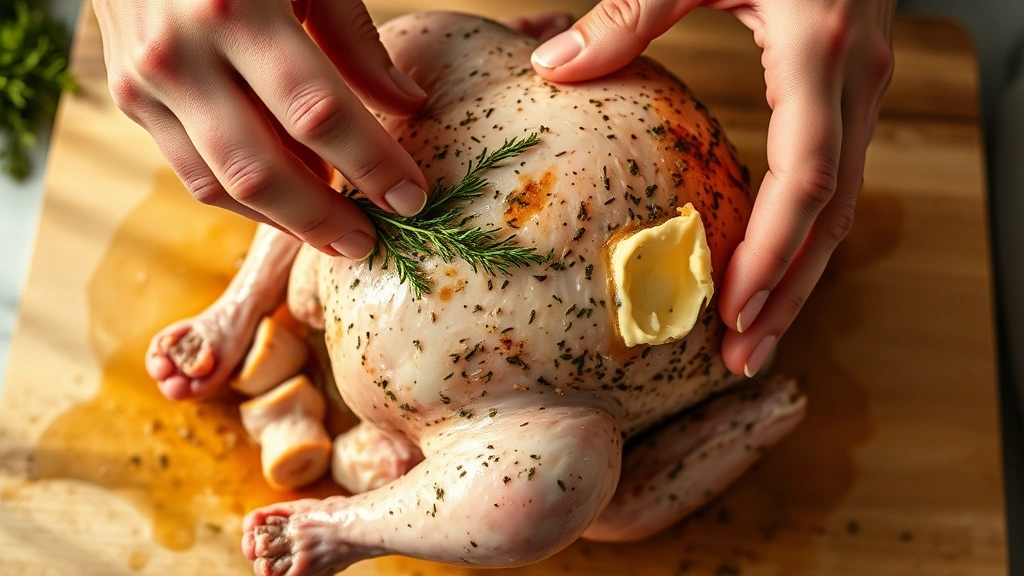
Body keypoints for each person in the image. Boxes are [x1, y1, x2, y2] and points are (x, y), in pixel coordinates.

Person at [95, 0, 895, 378]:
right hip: (344, 34)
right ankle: (244, 305)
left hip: (680, 48)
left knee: (571, 484)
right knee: (351, 107)